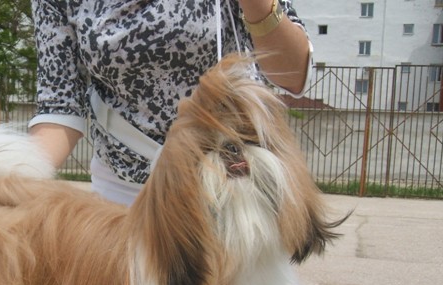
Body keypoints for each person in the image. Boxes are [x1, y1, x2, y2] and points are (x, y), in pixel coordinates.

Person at [28, 0, 313, 206]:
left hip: (233, 183)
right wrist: (17, 182)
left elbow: (292, 75)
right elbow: (60, 105)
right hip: (126, 192)